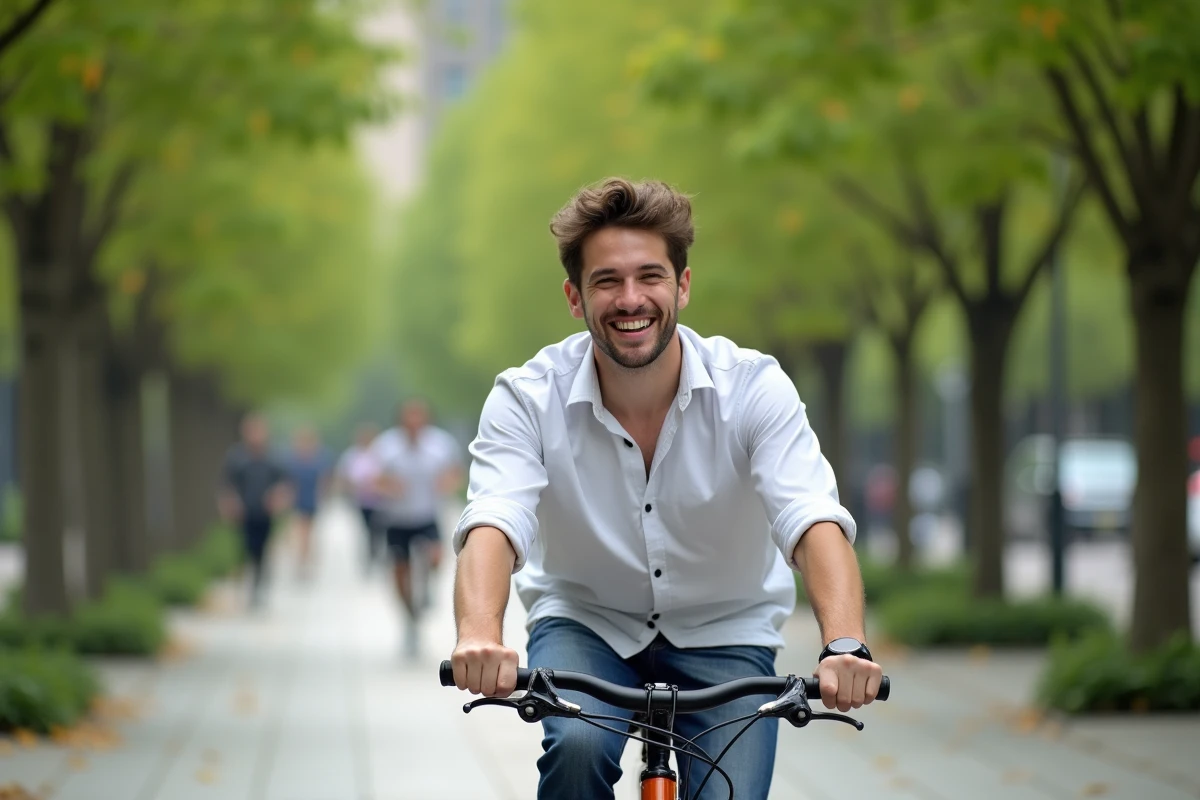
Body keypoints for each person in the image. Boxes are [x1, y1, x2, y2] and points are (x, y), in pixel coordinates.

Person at [447, 178, 883, 799]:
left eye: (650, 276)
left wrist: (844, 644)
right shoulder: (526, 396)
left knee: (732, 790)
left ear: (682, 285)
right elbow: (495, 519)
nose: (631, 299)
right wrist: (480, 635)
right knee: (575, 749)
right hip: (585, 623)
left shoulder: (754, 389)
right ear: (575, 296)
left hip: (726, 630)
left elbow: (811, 518)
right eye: (606, 281)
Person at [371, 399, 464, 659]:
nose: (414, 425)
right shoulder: (387, 446)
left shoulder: (440, 444)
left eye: (418, 420)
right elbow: (373, 480)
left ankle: (429, 586)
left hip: (426, 515)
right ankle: (410, 620)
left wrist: (446, 483)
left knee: (436, 556)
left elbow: (456, 472)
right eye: (409, 420)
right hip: (397, 519)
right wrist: (388, 486)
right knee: (401, 573)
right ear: (401, 422)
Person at [218, 412, 292, 609]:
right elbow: (227, 484)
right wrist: (229, 504)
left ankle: (259, 588)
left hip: (265, 513)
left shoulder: (274, 457)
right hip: (243, 513)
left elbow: (284, 484)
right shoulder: (236, 457)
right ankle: (244, 585)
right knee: (244, 549)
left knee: (262, 551)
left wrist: (278, 499)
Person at [335, 421, 386, 573]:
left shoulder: (381, 453)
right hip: (361, 500)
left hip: (380, 500)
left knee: (377, 528)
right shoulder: (351, 455)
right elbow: (344, 475)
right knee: (367, 528)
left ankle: (377, 551)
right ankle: (370, 553)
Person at [286, 425, 333, 581]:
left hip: (311, 500)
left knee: (308, 533)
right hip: (298, 500)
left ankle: (305, 560)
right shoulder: (294, 461)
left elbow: (324, 481)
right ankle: (302, 559)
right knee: (300, 532)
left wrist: (323, 496)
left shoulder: (318, 460)